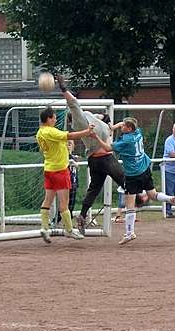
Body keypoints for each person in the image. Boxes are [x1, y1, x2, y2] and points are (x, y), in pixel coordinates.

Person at [92, 117, 175, 245]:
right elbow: (125, 125)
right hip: (145, 168)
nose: (122, 127)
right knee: (152, 194)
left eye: (124, 126)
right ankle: (170, 198)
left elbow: (107, 148)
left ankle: (129, 233)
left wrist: (96, 137)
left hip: (133, 174)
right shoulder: (138, 132)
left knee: (129, 204)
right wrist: (114, 127)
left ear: (129, 128)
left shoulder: (126, 142)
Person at [56, 74, 125, 235]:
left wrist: (108, 123)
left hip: (95, 159)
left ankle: (82, 215)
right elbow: (72, 102)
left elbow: (104, 117)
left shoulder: (89, 115)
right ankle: (140, 199)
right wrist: (63, 87)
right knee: (124, 179)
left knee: (94, 189)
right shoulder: (79, 120)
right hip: (103, 157)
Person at [36, 107, 94, 243]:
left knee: (47, 200)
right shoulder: (51, 131)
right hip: (60, 170)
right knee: (64, 203)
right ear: (49, 119)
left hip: (48, 169)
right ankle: (69, 230)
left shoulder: (40, 133)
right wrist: (87, 131)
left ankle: (44, 228)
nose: (56, 120)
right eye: (54, 117)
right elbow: (70, 136)